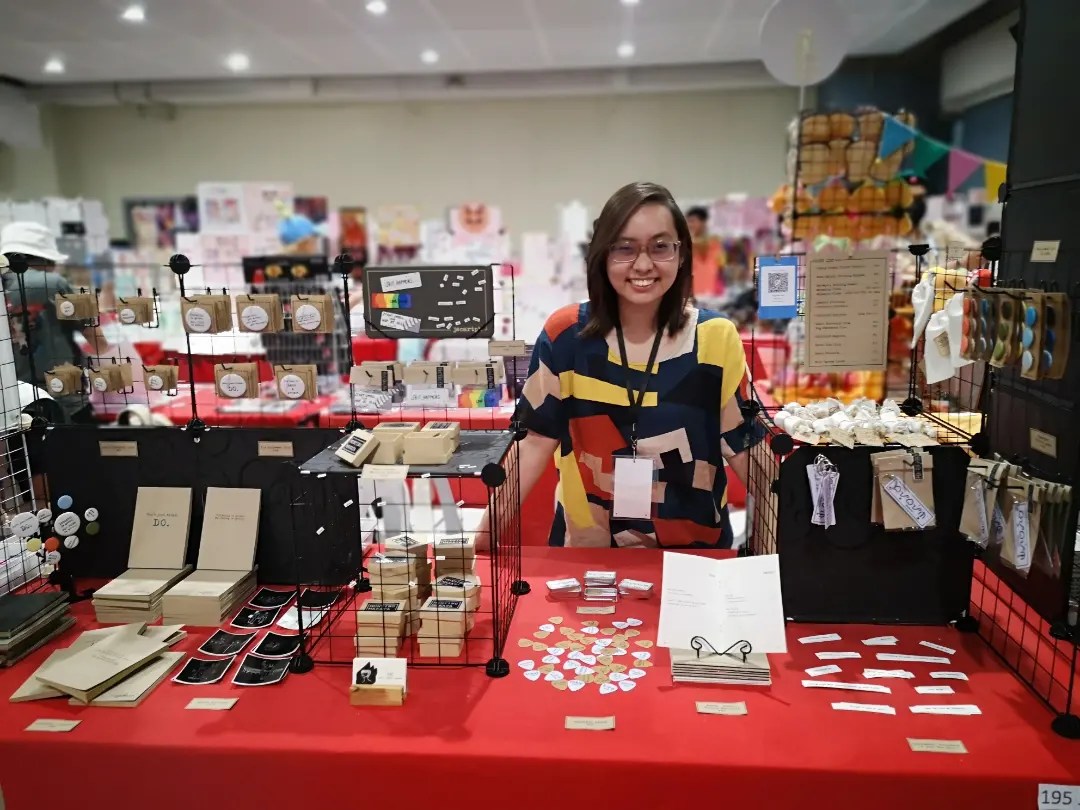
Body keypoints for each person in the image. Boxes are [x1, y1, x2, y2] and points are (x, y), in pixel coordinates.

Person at [479, 182, 761, 549]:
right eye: (625, 248)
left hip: (693, 555)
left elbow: (743, 443)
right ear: (602, 255)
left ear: (681, 254)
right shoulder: (566, 336)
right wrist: (481, 542)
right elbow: (534, 440)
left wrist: (790, 532)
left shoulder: (714, 338)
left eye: (660, 246)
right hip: (588, 548)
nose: (643, 264)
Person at [0, 222, 110, 423]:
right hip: (63, 397)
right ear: (44, 258)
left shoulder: (3, 284)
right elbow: (93, 336)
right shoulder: (52, 283)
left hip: (15, 399)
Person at [686, 206, 725, 300]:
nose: (690, 224)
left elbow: (720, 266)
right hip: (693, 292)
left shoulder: (714, 241)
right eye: (688, 221)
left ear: (703, 222)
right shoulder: (688, 243)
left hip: (712, 292)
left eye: (693, 221)